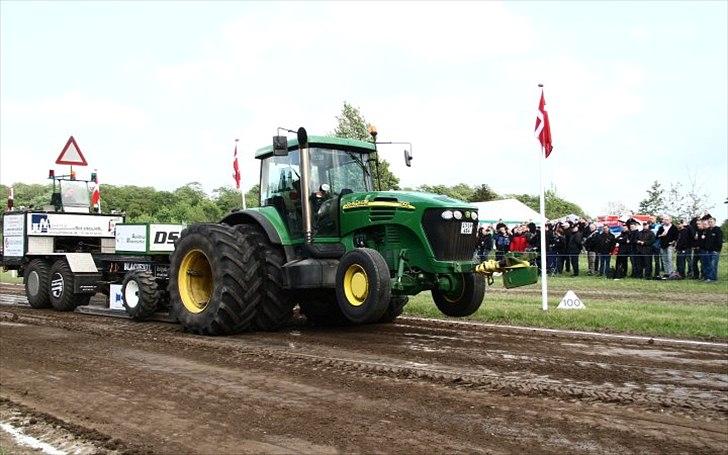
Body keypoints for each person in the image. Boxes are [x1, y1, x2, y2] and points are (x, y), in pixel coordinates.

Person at [702, 215, 723, 282]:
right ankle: (707, 277)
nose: (710, 223)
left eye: (711, 222)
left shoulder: (718, 230)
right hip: (707, 251)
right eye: (709, 222)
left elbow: (719, 241)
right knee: (708, 265)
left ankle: (713, 278)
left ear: (714, 222)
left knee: (713, 264)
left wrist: (717, 250)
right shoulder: (707, 230)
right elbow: (705, 241)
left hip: (715, 251)